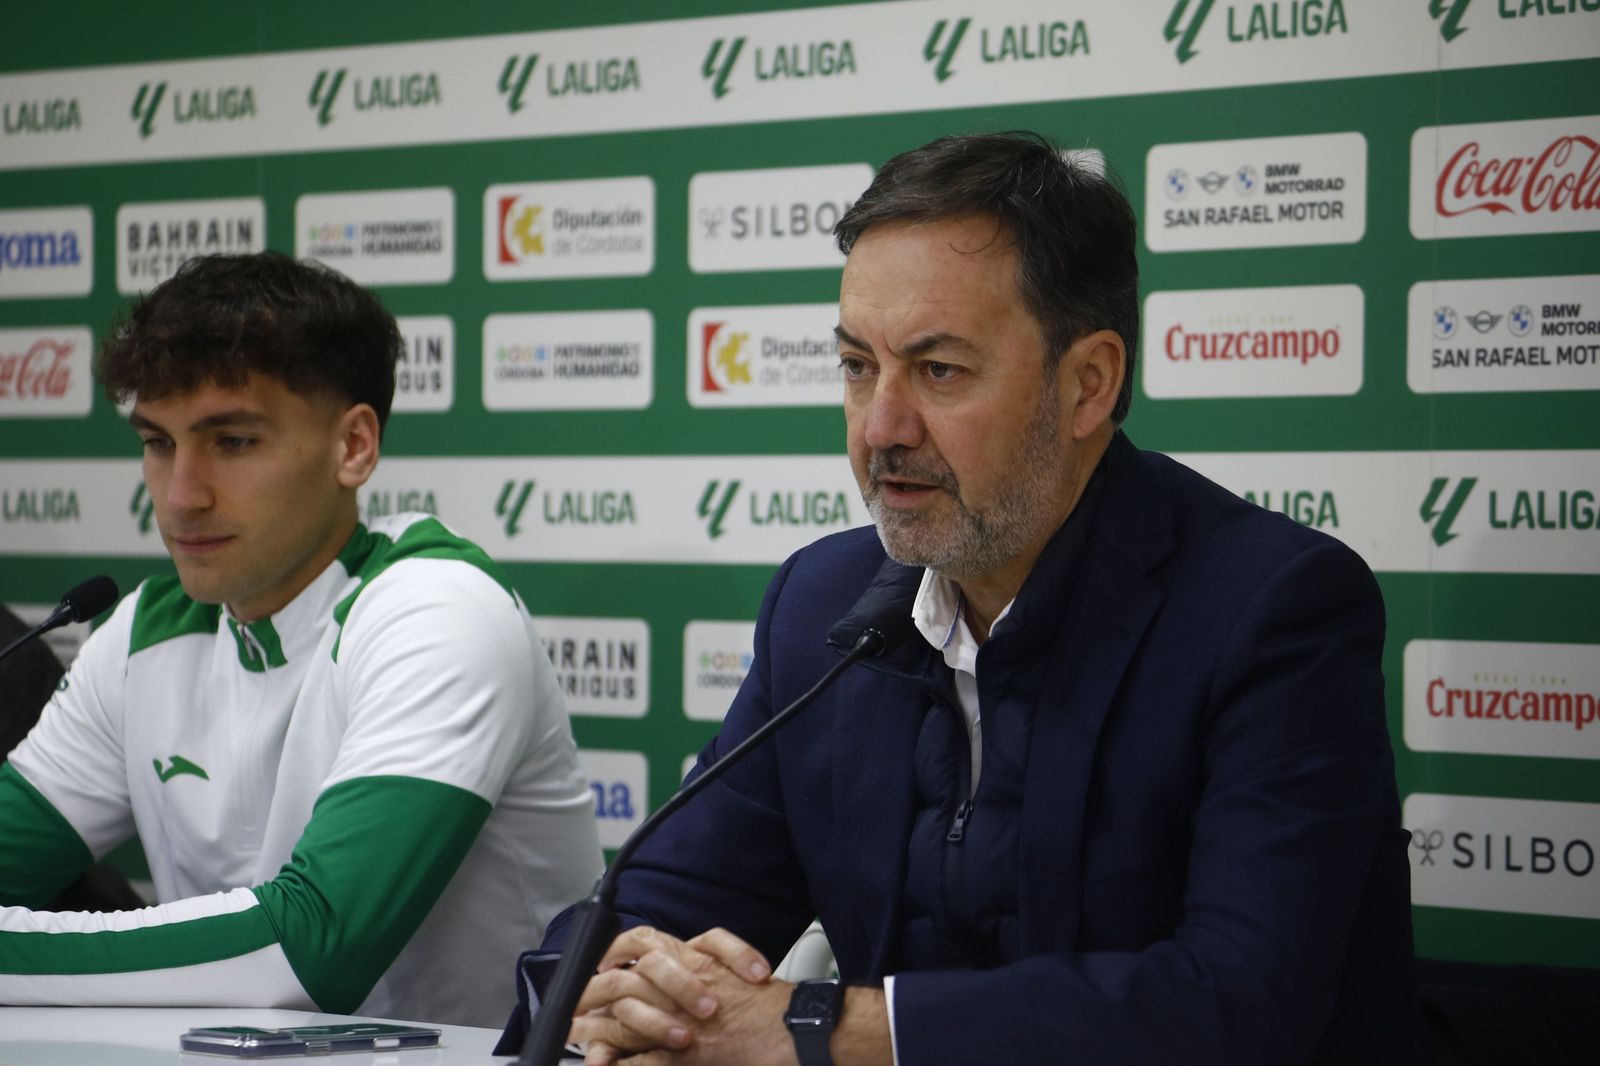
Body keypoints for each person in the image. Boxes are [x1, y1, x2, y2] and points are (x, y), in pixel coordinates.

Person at [500, 132, 1430, 1065]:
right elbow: (647, 911)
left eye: (939, 371)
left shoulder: (1268, 611)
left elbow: (1237, 1003)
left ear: (1088, 384)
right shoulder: (821, 608)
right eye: (859, 367)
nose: (882, 430)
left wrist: (822, 1032)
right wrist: (602, 1002)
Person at [0, 251, 603, 1028]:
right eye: (158, 443)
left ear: (353, 446)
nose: (181, 496)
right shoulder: (142, 632)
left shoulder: (436, 608)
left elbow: (310, 952)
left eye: (234, 442)